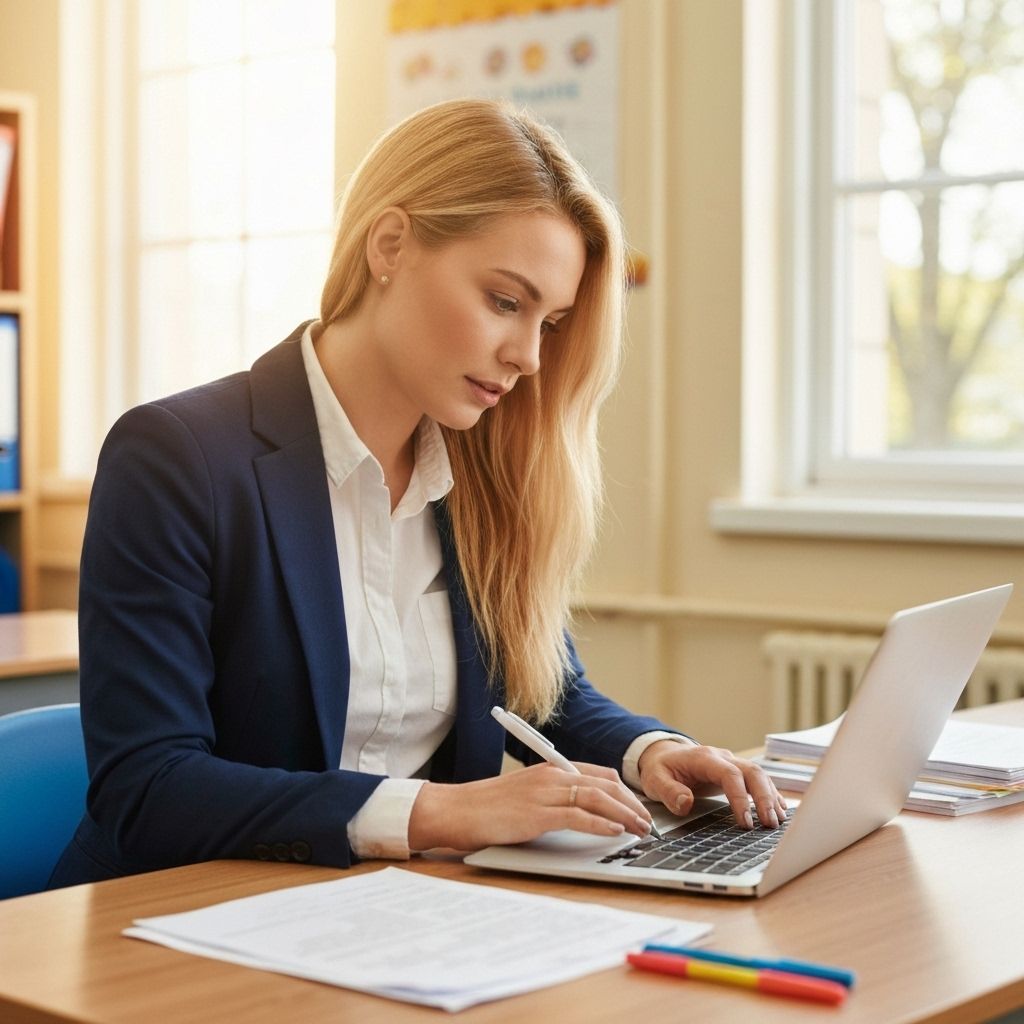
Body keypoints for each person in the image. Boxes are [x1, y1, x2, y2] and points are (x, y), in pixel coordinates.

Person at [50, 98, 785, 887]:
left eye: (550, 323)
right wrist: (439, 811)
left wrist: (657, 753)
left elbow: (547, 695)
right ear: (391, 245)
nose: (529, 357)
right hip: (174, 920)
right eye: (506, 302)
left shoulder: (480, 472)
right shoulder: (177, 457)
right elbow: (149, 787)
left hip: (399, 916)